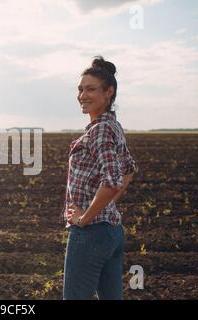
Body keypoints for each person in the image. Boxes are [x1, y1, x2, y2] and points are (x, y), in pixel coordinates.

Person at [61, 56, 138, 300]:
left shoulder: (101, 130)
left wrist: (85, 218)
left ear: (109, 92)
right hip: (112, 231)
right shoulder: (113, 126)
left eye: (91, 89)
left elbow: (113, 178)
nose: (83, 95)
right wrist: (108, 205)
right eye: (80, 89)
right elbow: (128, 171)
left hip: (91, 234)